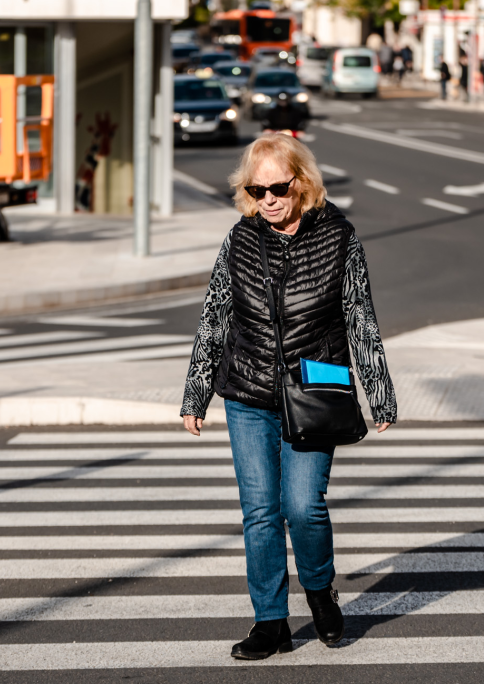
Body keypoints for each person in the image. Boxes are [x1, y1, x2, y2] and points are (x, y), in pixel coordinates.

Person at [181, 134, 397, 660]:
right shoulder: (240, 239)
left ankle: (319, 589)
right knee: (260, 511)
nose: (268, 200)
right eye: (257, 190)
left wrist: (378, 391)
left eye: (278, 187)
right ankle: (270, 622)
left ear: (301, 182)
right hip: (247, 390)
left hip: (313, 390)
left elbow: (359, 316)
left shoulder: (339, 239)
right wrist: (196, 394)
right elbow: (216, 315)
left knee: (302, 507)